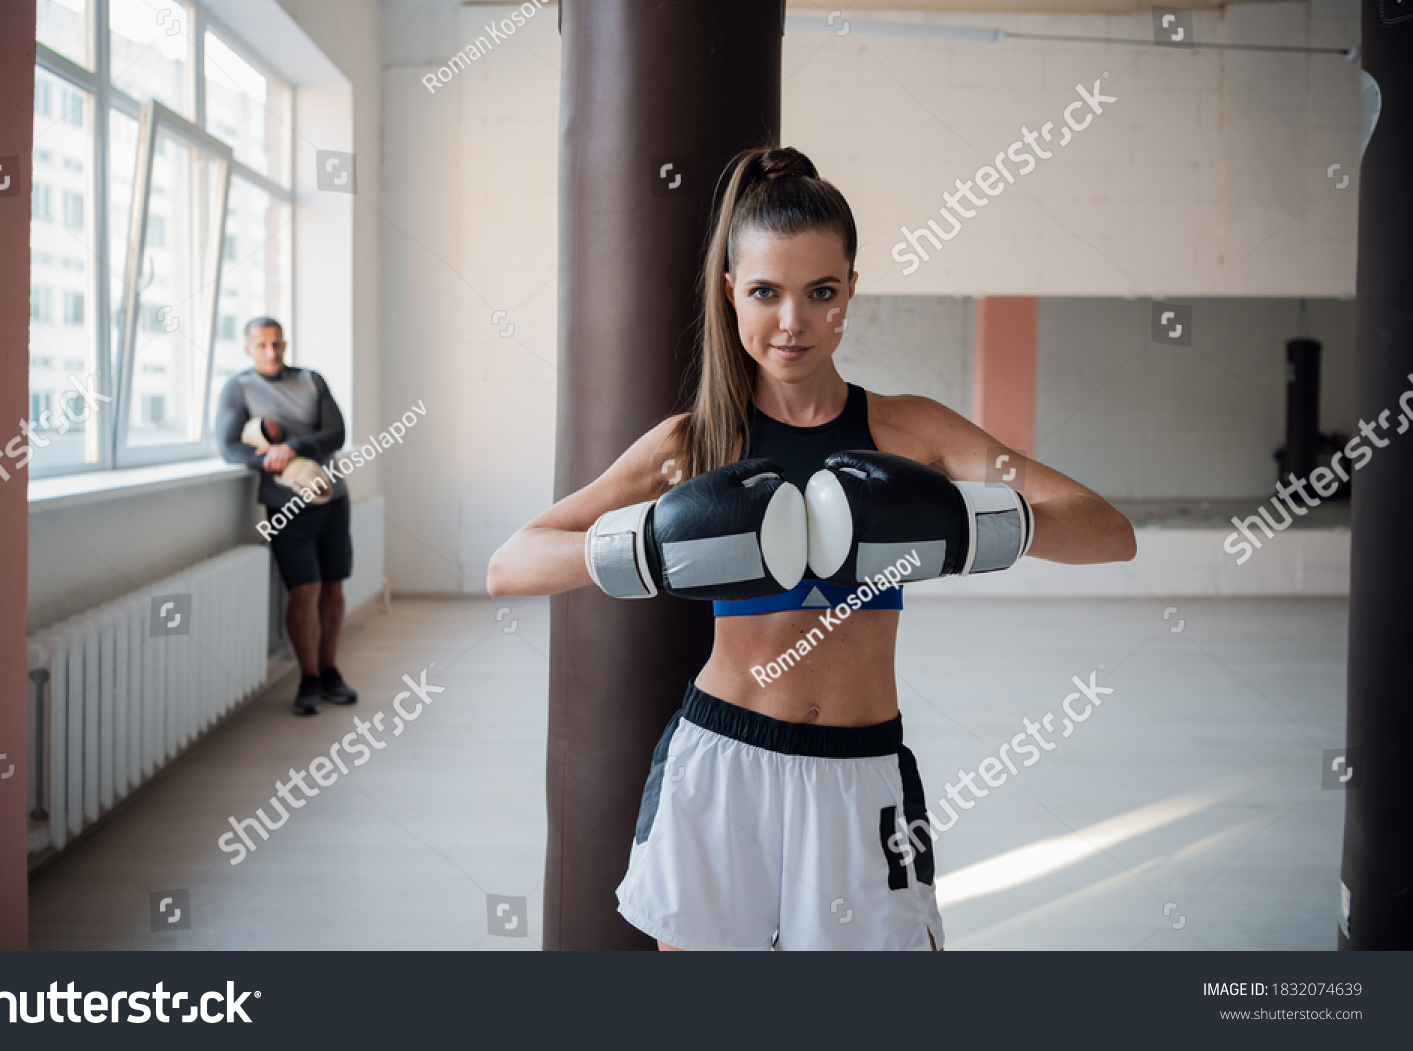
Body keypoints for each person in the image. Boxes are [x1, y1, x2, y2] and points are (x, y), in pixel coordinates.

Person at [486, 146, 1136, 951]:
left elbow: (1109, 532)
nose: (792, 321)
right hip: (722, 762)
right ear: (730, 293)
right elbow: (510, 563)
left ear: (851, 293)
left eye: (820, 292)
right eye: (765, 292)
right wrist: (651, 545)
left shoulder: (912, 431)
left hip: (864, 772)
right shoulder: (693, 444)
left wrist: (967, 528)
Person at [218, 316, 357, 716]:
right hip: (285, 506)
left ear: (285, 344)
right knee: (305, 591)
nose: (271, 352)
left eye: (277, 343)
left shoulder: (312, 380)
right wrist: (271, 460)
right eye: (261, 345)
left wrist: (292, 447)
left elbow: (336, 434)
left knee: (333, 588)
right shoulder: (238, 389)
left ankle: (331, 672)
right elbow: (229, 448)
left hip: (333, 497)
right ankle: (309, 679)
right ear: (248, 349)